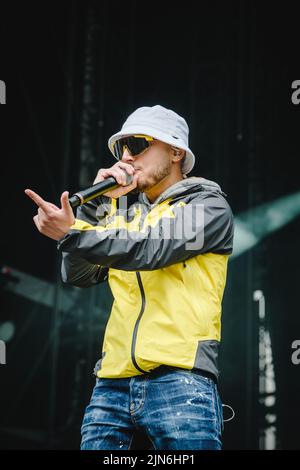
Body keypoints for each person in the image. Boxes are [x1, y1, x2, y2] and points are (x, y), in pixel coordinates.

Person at [25, 104, 234, 450]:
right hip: (112, 382)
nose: (126, 157)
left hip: (181, 379)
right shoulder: (123, 216)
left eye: (137, 145)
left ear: (176, 151)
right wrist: (95, 204)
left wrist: (71, 233)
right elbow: (78, 274)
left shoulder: (207, 208)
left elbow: (150, 249)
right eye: (121, 149)